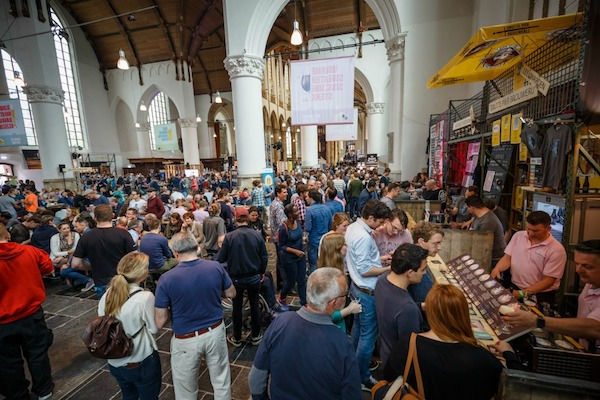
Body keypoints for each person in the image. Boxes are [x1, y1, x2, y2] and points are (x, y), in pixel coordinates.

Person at [382, 284, 519, 400]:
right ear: (464, 314)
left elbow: (389, 378)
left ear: (430, 313)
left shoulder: (408, 344)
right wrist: (509, 353)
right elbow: (515, 387)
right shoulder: (483, 358)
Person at [248, 267, 362, 400]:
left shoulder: (280, 323)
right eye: (345, 295)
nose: (346, 298)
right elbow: (352, 394)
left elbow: (255, 379)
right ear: (333, 303)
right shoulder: (342, 343)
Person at [154, 232, 236, 400]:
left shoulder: (166, 279)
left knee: (186, 388)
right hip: (215, 331)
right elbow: (231, 293)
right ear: (197, 248)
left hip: (186, 338)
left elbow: (160, 321)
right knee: (221, 380)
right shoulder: (215, 267)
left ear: (176, 253)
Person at [502, 240, 600, 352]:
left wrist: (538, 321)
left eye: (587, 266)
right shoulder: (591, 282)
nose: (578, 270)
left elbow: (595, 327)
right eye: (577, 264)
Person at [0, 223, 54, 400]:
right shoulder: (29, 251)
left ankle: (18, 395)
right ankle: (44, 390)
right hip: (31, 313)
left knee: (8, 362)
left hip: (3, 321)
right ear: (7, 234)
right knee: (37, 354)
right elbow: (48, 267)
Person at [98, 252, 161, 400]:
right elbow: (153, 328)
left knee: (128, 395)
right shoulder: (145, 297)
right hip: (140, 359)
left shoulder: (107, 294)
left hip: (114, 361)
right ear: (141, 274)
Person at [345, 199, 392, 390]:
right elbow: (365, 270)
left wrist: (379, 259)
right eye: (380, 222)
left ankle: (352, 367)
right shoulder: (364, 237)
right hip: (366, 289)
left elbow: (360, 259)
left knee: (358, 329)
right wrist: (388, 267)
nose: (381, 226)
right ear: (371, 217)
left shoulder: (354, 227)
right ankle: (362, 376)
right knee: (368, 336)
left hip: (357, 287)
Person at [216, 207, 268, 347]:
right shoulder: (257, 235)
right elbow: (264, 256)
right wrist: (262, 272)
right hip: (254, 277)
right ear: (247, 218)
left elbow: (220, 259)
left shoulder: (230, 237)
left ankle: (237, 337)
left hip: (236, 279)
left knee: (237, 308)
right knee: (255, 305)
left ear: (236, 219)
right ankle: (256, 335)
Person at [491, 211, 566, 305]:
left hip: (539, 294)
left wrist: (522, 293)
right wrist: (497, 268)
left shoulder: (556, 249)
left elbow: (548, 280)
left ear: (548, 228)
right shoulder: (519, 236)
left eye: (536, 231)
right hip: (515, 287)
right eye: (528, 229)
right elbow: (507, 258)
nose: (530, 233)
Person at [375, 243, 428, 366]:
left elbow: (394, 311)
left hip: (386, 353)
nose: (424, 273)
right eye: (422, 269)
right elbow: (411, 348)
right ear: (409, 272)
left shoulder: (382, 280)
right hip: (399, 365)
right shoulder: (407, 308)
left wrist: (421, 306)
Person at [72, 204, 136, 298]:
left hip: (101, 280)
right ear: (113, 216)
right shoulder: (123, 234)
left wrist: (91, 266)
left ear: (95, 218)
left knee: (106, 308)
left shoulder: (86, 237)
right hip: (122, 279)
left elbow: (75, 264)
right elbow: (135, 258)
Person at [278, 204, 307, 309]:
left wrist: (304, 240)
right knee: (291, 281)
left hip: (301, 256)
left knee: (302, 280)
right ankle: (282, 297)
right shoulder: (283, 228)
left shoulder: (298, 222)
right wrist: (295, 251)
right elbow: (281, 246)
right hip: (289, 258)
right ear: (290, 214)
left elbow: (300, 235)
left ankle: (304, 302)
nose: (298, 213)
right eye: (296, 212)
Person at [466, 196, 506, 265]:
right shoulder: (478, 216)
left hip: (494, 258)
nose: (467, 209)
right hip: (485, 254)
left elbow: (481, 244)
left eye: (468, 207)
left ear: (472, 207)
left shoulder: (488, 221)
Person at [304, 190, 333, 274]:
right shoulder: (326, 208)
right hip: (325, 239)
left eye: (307, 197)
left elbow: (308, 228)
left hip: (314, 240)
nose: (306, 199)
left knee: (313, 264)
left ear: (311, 198)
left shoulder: (310, 210)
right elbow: (330, 224)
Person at [270, 183, 288, 289]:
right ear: (278, 193)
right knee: (282, 260)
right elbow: (282, 222)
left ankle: (280, 283)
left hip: (276, 236)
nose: (286, 194)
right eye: (284, 192)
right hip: (279, 237)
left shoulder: (276, 203)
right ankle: (283, 283)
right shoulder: (278, 205)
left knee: (279, 260)